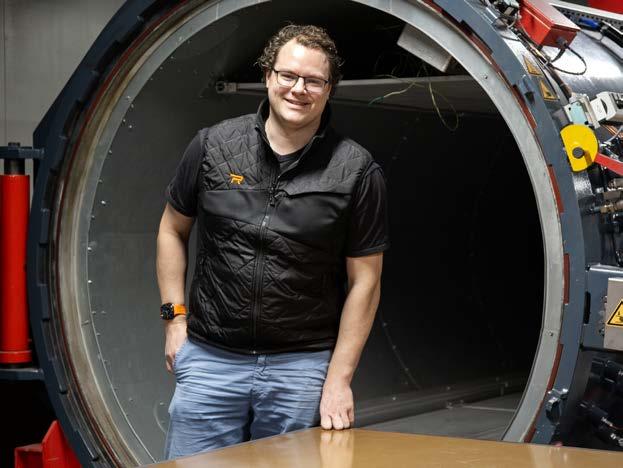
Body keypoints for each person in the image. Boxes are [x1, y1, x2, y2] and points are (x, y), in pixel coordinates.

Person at [156, 24, 389, 459]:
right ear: (268, 76)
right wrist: (174, 320)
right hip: (210, 360)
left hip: (299, 369)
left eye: (314, 81)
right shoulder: (212, 146)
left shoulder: (356, 170)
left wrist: (339, 379)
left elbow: (366, 281)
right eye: (288, 75)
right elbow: (172, 229)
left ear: (329, 90)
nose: (299, 89)